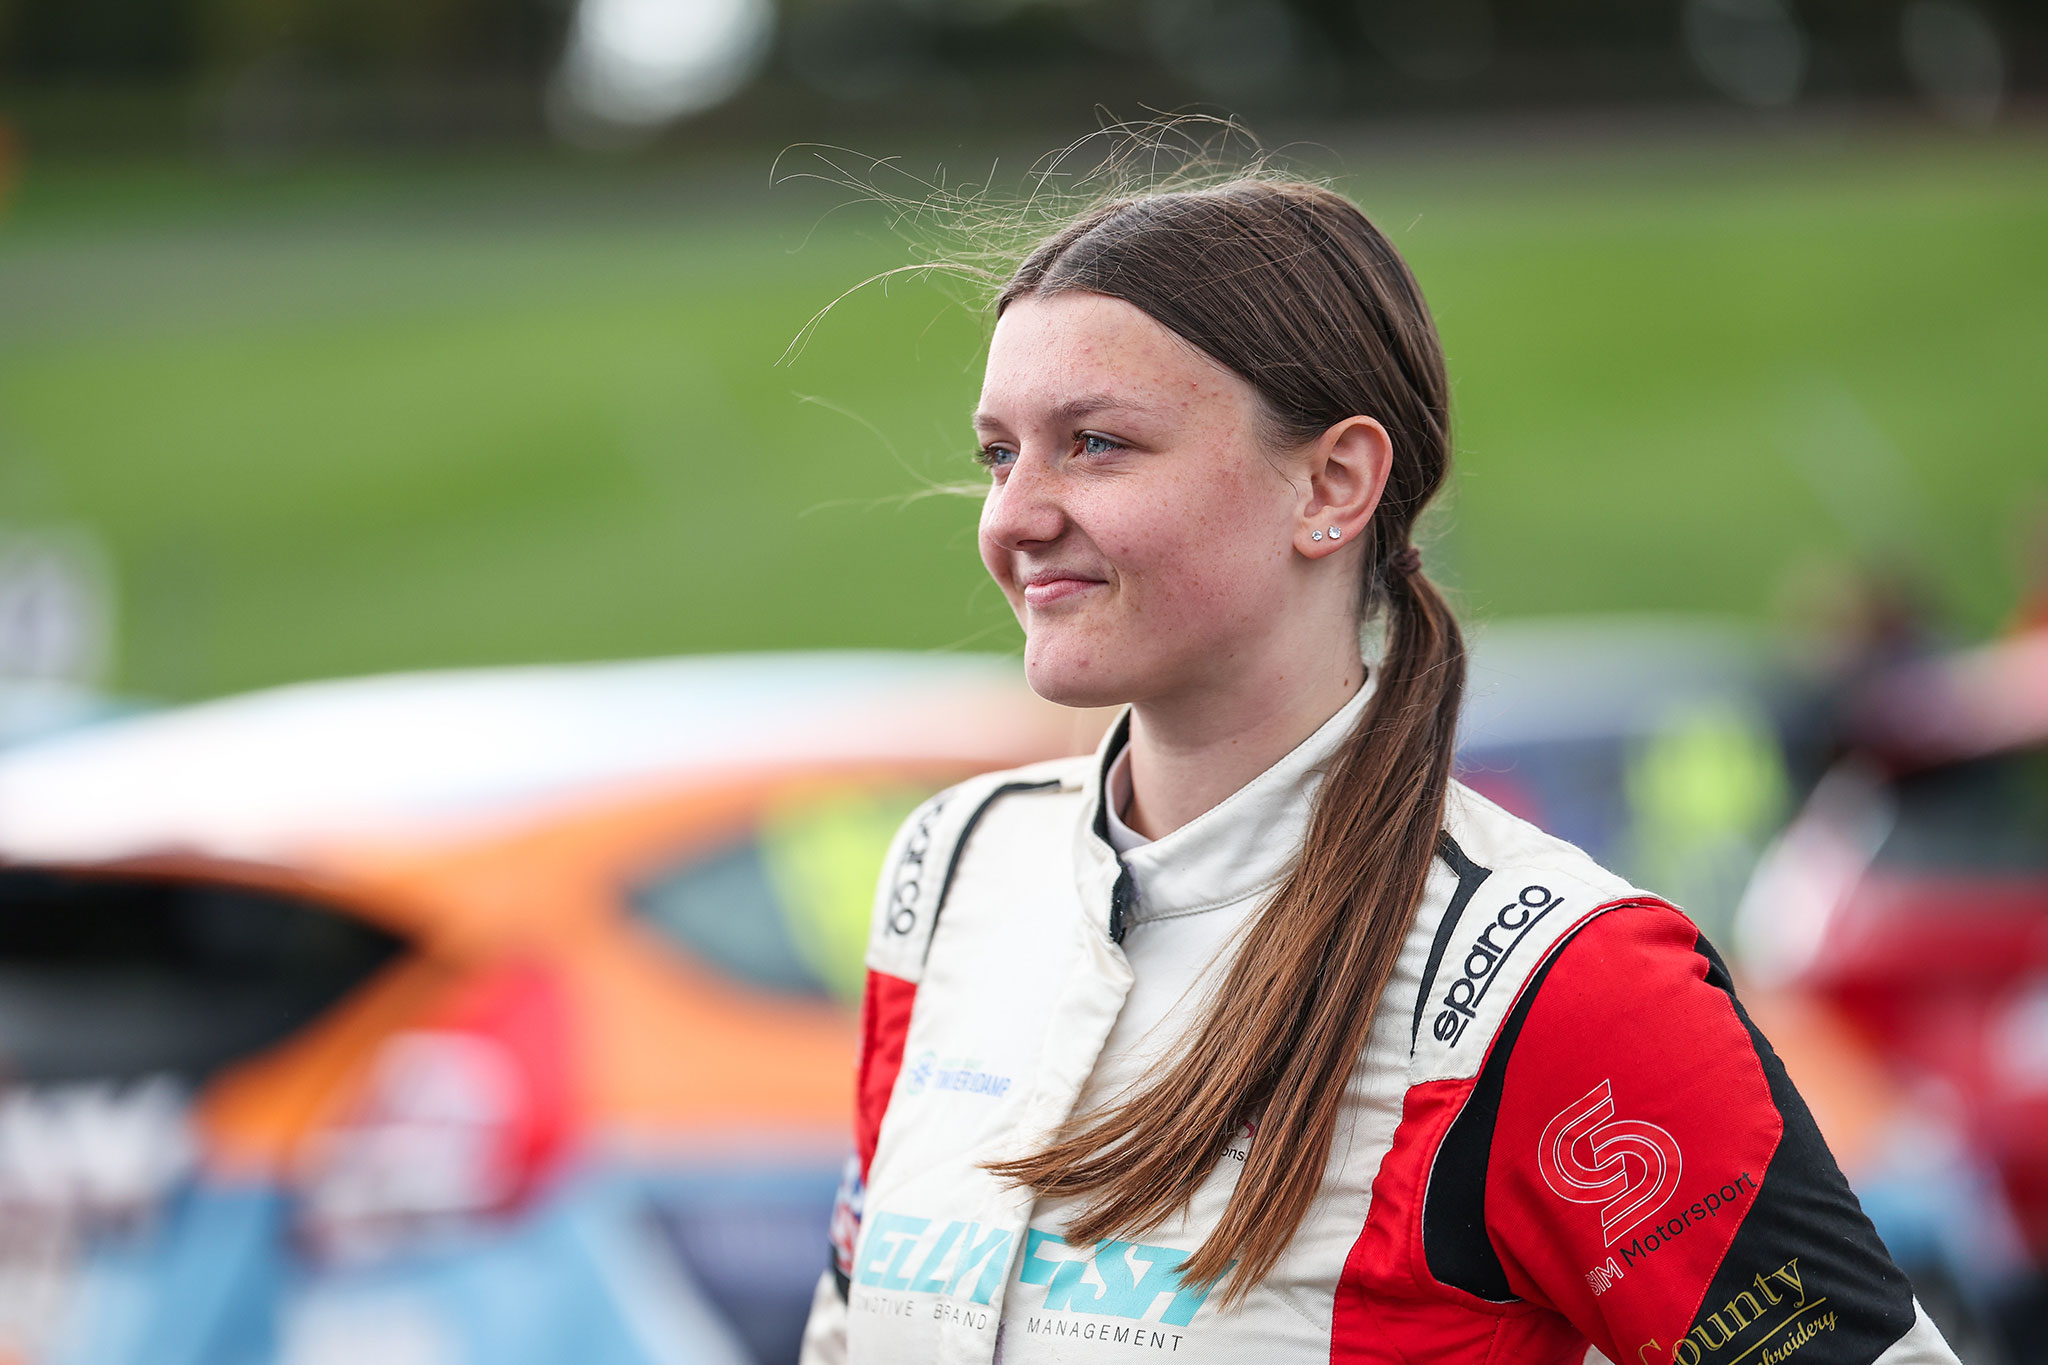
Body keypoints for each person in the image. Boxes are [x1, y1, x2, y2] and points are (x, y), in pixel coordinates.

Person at [797, 174, 1958, 1364]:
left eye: (1096, 445)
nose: (1012, 518)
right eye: (999, 454)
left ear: (1332, 484)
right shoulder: (955, 863)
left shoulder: (1558, 979)